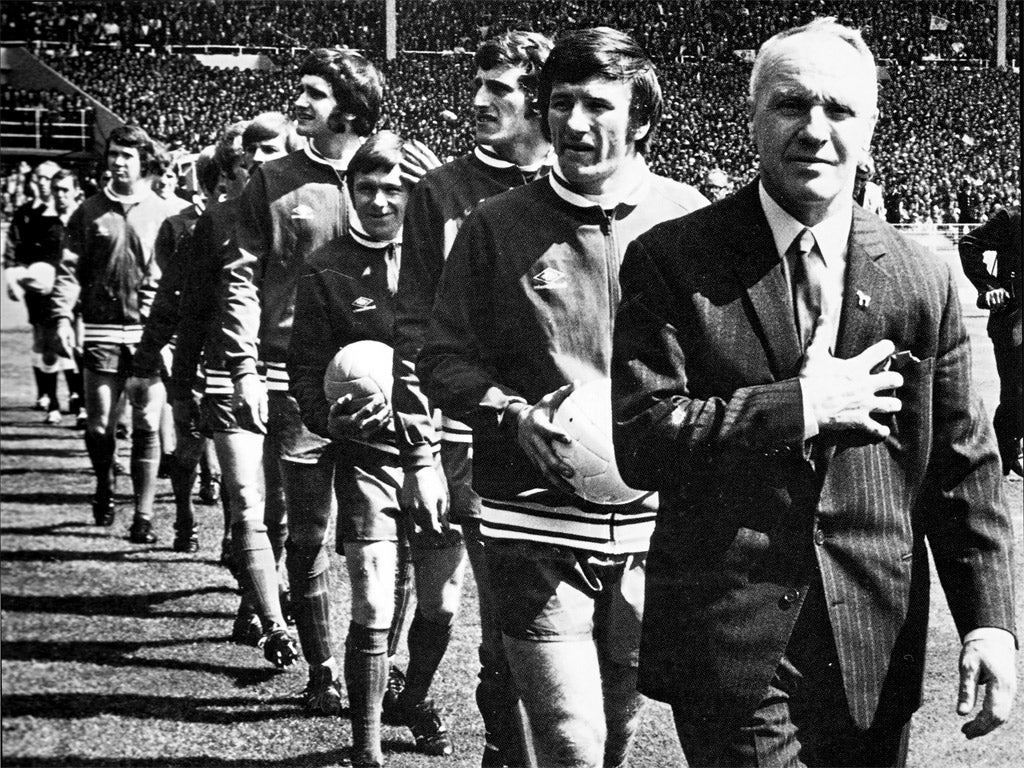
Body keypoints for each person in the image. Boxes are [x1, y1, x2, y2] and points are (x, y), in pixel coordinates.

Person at [611, 18, 1017, 768]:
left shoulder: (919, 278)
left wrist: (990, 626)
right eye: (792, 105)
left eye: (840, 110)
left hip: (873, 643)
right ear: (754, 114)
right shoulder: (673, 260)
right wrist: (797, 406)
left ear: (870, 128)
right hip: (731, 645)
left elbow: (964, 473)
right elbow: (643, 438)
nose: (815, 130)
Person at [417, 27, 708, 768]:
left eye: (597, 105)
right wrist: (510, 414)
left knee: (617, 732)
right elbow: (442, 357)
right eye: (560, 103)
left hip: (654, 527)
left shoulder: (691, 220)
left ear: (641, 118)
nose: (574, 124)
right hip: (530, 519)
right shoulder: (496, 227)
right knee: (569, 743)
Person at [217, 49, 436, 714]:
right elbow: (239, 277)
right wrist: (244, 367)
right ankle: (320, 670)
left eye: (313, 93)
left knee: (389, 533)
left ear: (349, 105)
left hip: (392, 387)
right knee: (308, 531)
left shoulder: (402, 171)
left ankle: (384, 659)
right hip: (296, 378)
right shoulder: (274, 178)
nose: (299, 103)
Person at [391, 29, 553, 768]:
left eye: (502, 88)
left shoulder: (577, 184)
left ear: (540, 100)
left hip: (574, 444)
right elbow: (415, 330)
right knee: (503, 636)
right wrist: (419, 452)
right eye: (478, 83)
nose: (481, 99)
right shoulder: (441, 194)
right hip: (472, 442)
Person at [290, 130, 463, 767]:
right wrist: (332, 416)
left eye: (396, 188)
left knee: (441, 602)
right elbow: (306, 371)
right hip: (367, 456)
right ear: (349, 190)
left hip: (443, 451)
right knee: (370, 594)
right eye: (367, 187)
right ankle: (366, 751)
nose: (381, 200)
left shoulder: (448, 262)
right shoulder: (326, 267)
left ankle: (413, 699)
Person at [177, 115, 300, 665]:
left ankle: (254, 603)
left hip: (290, 375)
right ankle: (275, 625)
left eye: (271, 151)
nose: (260, 161)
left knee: (280, 508)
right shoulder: (219, 219)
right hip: (229, 375)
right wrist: (182, 384)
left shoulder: (307, 208)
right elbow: (192, 310)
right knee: (246, 497)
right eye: (251, 154)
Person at [48, 125, 176, 541]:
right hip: (102, 329)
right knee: (100, 426)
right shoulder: (87, 211)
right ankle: (104, 484)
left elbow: (178, 279)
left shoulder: (164, 212)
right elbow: (69, 270)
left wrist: (172, 335)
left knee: (146, 422)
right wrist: (62, 317)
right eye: (114, 154)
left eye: (127, 155)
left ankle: (143, 516)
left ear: (144, 162)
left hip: (148, 333)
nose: (118, 163)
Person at [4, 160, 80, 423]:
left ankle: (77, 399)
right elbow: (16, 251)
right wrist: (16, 277)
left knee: (75, 345)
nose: (44, 184)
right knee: (46, 343)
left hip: (73, 290)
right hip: (42, 289)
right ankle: (50, 399)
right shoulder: (31, 215)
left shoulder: (78, 215)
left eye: (50, 179)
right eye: (39, 179)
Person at [959, 206, 1022, 477]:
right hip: (1015, 318)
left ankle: (1004, 451)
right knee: (1017, 394)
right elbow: (969, 244)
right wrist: (989, 287)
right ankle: (997, 453)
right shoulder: (1013, 218)